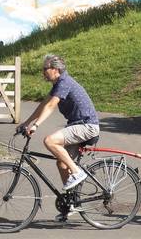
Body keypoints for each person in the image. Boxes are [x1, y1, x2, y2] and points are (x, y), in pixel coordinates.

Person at [17, 55, 100, 191]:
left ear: (55, 69)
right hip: (77, 125)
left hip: (87, 126)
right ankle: (70, 202)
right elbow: (44, 105)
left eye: (45, 69)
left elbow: (51, 106)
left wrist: (36, 125)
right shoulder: (58, 85)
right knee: (62, 164)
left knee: (50, 141)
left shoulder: (64, 82)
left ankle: (77, 172)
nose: (43, 72)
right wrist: (26, 122)